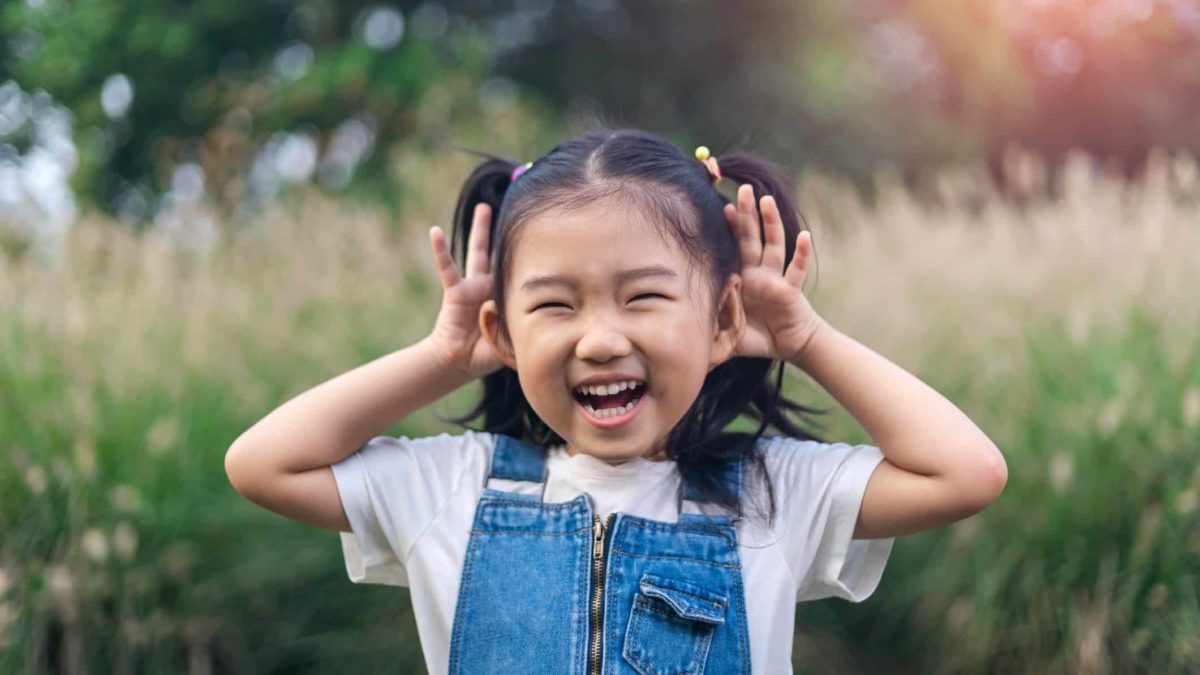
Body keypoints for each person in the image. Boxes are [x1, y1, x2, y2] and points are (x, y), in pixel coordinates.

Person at [224, 128, 1008, 674]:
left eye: (642, 297)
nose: (599, 339)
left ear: (723, 318)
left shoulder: (771, 497)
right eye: (556, 305)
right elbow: (262, 463)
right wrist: (443, 358)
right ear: (503, 330)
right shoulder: (453, 490)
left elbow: (966, 472)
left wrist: (805, 336)